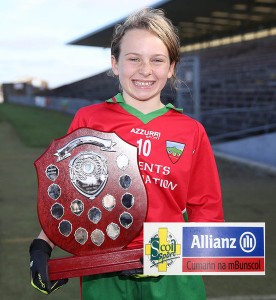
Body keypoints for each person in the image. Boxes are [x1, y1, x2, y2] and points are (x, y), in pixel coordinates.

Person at [29, 7, 224, 299]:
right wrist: (43, 244)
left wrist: (165, 257)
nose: (145, 70)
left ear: (171, 67)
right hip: (103, 271)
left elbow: (207, 216)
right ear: (115, 64)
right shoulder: (89, 120)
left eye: (157, 60)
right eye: (134, 59)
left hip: (172, 278)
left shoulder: (191, 131)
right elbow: (69, 197)